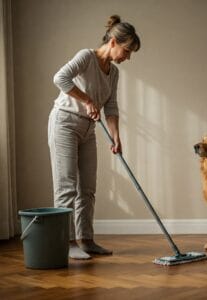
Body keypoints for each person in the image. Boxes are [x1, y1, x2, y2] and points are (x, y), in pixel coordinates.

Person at [48, 15, 141, 260]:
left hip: (89, 129)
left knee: (87, 188)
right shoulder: (86, 56)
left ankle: (86, 240)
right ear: (113, 42)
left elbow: (111, 107)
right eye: (127, 50)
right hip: (65, 124)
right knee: (67, 187)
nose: (128, 57)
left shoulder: (114, 73)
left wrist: (116, 137)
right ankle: (66, 243)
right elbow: (60, 78)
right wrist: (87, 100)